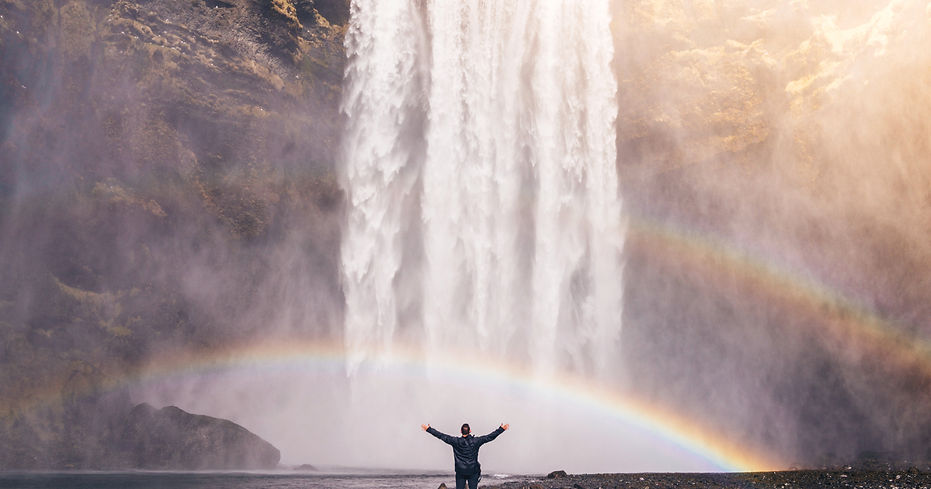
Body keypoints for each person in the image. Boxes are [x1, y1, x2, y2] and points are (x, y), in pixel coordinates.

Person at [421, 422, 509, 489]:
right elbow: (489, 437)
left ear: (460, 431)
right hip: (473, 471)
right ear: (470, 431)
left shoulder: (455, 441)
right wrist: (501, 429)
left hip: (460, 471)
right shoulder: (476, 441)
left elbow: (441, 436)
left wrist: (429, 429)